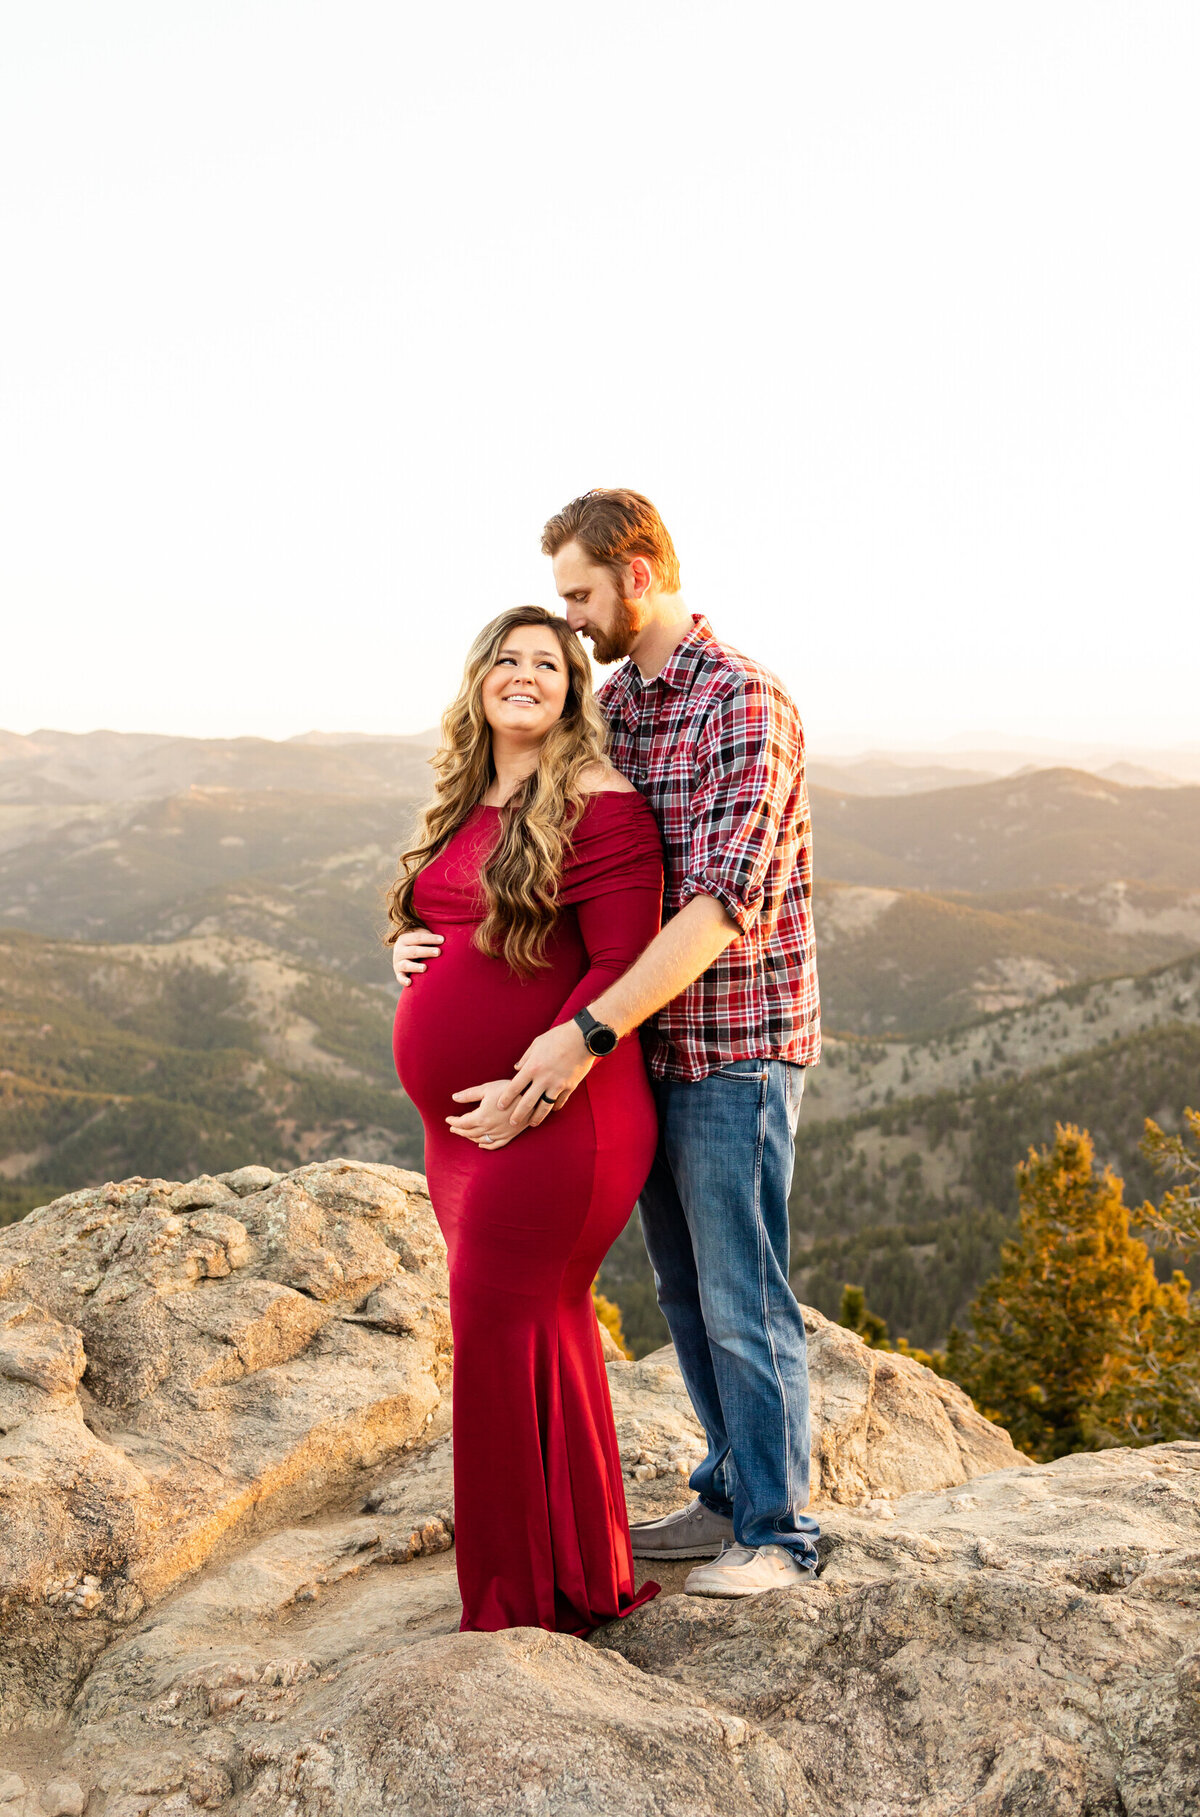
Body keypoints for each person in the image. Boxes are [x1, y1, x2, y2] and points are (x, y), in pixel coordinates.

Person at [441, 490, 822, 1597]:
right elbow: (531, 842)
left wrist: (585, 1031)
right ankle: (725, 1491)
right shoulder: (618, 705)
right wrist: (430, 931)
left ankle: (782, 1530)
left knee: (744, 1287)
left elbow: (715, 906)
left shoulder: (742, 701)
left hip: (732, 1047)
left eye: (579, 594)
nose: (569, 618)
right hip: (645, 1053)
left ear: (640, 572)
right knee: (686, 1289)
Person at [387, 604, 664, 1635]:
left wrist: (537, 1081)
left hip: (563, 1118)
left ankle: (513, 1605)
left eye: (547, 661)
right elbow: (445, 912)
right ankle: (575, 1573)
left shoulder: (603, 805)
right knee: (535, 1330)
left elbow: (620, 966)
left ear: (571, 688)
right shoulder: (475, 791)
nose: (524, 673)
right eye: (505, 658)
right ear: (479, 681)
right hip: (462, 1131)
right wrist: (408, 947)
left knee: (501, 1330)